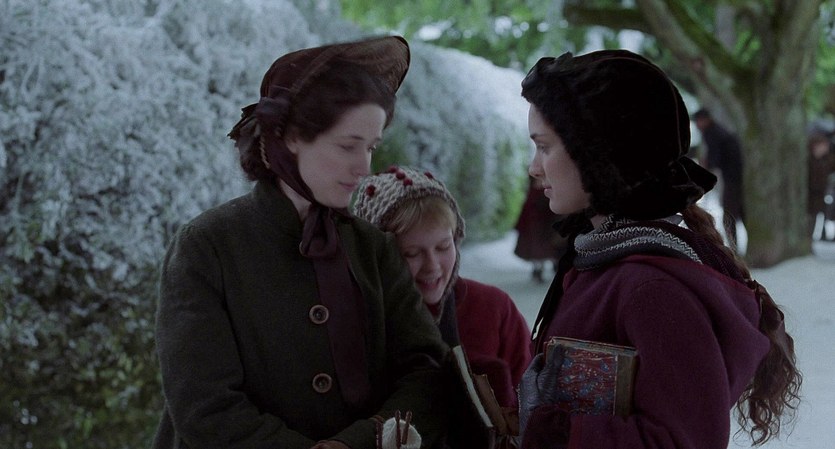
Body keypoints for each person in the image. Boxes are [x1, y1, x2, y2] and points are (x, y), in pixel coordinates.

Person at [152, 36, 450, 449]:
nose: (363, 167)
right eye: (347, 145)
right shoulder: (207, 247)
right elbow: (204, 405)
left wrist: (357, 442)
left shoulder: (373, 248)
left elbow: (426, 372)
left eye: (370, 147)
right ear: (290, 136)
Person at [515, 50, 801, 449]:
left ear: (601, 152)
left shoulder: (653, 291)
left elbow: (684, 441)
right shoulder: (602, 261)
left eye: (544, 147)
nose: (534, 167)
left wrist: (555, 432)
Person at [352, 165, 532, 409]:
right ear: (377, 258)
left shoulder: (493, 308)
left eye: (444, 246)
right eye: (411, 253)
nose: (432, 266)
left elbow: (533, 403)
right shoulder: (359, 322)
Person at [693, 107, 745, 251]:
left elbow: (714, 159)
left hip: (732, 178)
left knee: (729, 215)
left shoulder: (712, 133)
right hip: (733, 177)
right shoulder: (716, 131)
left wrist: (705, 165)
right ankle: (734, 248)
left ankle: (734, 249)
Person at [513, 176, 568, 282]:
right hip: (536, 224)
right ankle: (539, 269)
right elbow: (529, 206)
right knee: (538, 249)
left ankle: (551, 267)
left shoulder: (548, 186)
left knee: (549, 247)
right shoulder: (535, 188)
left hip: (547, 222)